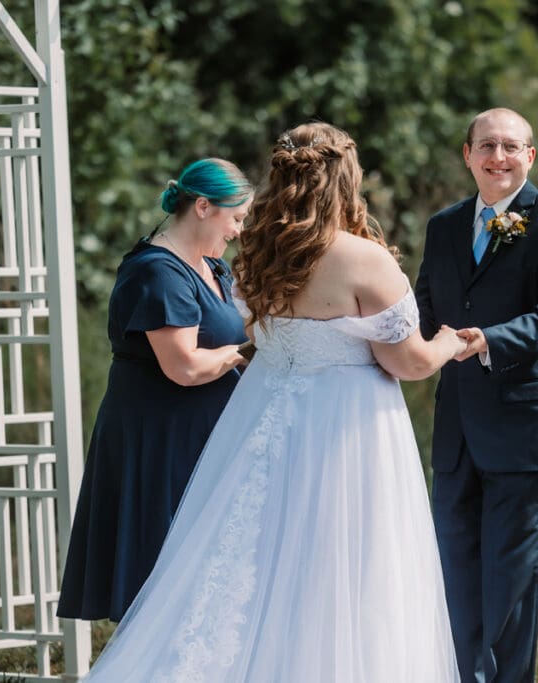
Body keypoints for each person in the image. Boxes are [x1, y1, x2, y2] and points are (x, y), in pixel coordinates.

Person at [80, 123, 465, 681]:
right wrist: (451, 341)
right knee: (342, 564)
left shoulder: (259, 254)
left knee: (255, 554)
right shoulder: (365, 260)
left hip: (262, 416)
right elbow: (406, 362)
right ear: (345, 182)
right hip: (345, 430)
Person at [415, 107, 538, 682]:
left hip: (525, 431)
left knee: (511, 587)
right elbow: (423, 312)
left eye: (511, 147)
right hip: (457, 433)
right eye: (487, 146)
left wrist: (485, 340)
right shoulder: (442, 227)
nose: (499, 157)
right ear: (466, 155)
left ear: (530, 156)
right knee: (454, 573)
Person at [57, 158, 253, 622]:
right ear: (203, 207)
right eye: (237, 218)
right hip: (158, 437)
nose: (240, 230)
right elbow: (184, 366)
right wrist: (246, 352)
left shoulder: (211, 266)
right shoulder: (158, 272)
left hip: (197, 434)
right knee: (160, 572)